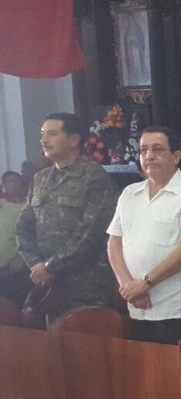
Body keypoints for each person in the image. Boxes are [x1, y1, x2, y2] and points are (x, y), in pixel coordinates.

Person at [107, 127, 181, 344]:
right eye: (143, 150)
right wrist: (127, 285)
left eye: (157, 149)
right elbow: (114, 242)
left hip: (180, 307)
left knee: (180, 365)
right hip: (138, 305)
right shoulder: (130, 193)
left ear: (176, 156)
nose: (149, 156)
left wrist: (145, 283)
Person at [16, 113, 118, 318]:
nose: (44, 140)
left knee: (86, 336)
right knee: (52, 337)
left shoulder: (93, 176)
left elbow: (91, 233)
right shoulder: (40, 178)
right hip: (47, 283)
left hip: (86, 284)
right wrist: (36, 265)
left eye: (52, 134)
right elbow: (23, 227)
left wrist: (50, 266)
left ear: (74, 139)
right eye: (43, 134)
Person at [0, 171, 30, 304]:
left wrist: (21, 259)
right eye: (9, 181)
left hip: (18, 266)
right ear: (3, 186)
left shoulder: (30, 206)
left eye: (16, 180)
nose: (13, 184)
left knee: (16, 303)